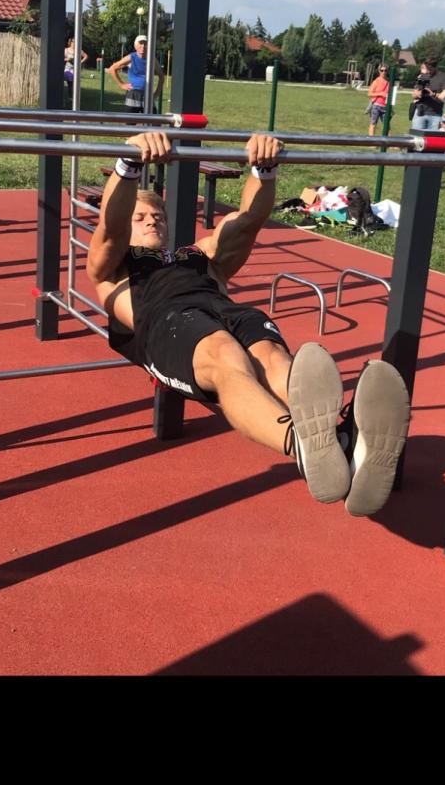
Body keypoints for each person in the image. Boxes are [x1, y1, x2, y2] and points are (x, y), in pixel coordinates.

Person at [86, 131, 411, 518]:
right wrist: (129, 164)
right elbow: (110, 229)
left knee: (272, 357)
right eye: (139, 218)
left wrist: (264, 168)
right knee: (224, 353)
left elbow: (248, 221)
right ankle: (302, 444)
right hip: (166, 322)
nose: (151, 221)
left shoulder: (199, 255)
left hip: (227, 311)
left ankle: (343, 446)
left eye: (157, 216)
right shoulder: (113, 269)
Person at [108, 35, 164, 113]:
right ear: (135, 46)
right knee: (131, 120)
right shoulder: (131, 57)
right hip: (133, 95)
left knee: (152, 120)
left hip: (147, 94)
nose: (143, 46)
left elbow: (161, 76)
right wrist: (121, 85)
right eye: (140, 43)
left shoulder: (152, 59)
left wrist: (157, 93)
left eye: (145, 44)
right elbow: (112, 68)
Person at [410, 57, 445, 131]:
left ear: (435, 67)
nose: (428, 71)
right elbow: (414, 95)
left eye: (430, 69)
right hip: (420, 113)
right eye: (426, 69)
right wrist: (419, 93)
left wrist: (433, 94)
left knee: (432, 137)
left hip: (436, 115)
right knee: (416, 136)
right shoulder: (423, 76)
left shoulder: (444, 78)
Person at [367, 64, 390, 136]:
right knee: (373, 124)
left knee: (387, 126)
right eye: (382, 70)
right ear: (379, 71)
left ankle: (389, 141)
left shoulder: (388, 82)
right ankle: (371, 140)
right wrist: (380, 94)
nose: (383, 72)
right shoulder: (376, 81)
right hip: (376, 106)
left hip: (385, 106)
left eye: (385, 70)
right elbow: (369, 93)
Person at [64, 38, 88, 103]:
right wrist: (67, 59)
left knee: (75, 84)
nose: (75, 43)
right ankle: (70, 97)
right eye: (74, 42)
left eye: (76, 42)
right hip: (68, 68)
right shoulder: (66, 50)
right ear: (71, 42)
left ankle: (74, 97)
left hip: (75, 69)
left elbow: (86, 56)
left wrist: (80, 62)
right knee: (70, 83)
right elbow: (62, 58)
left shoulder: (78, 50)